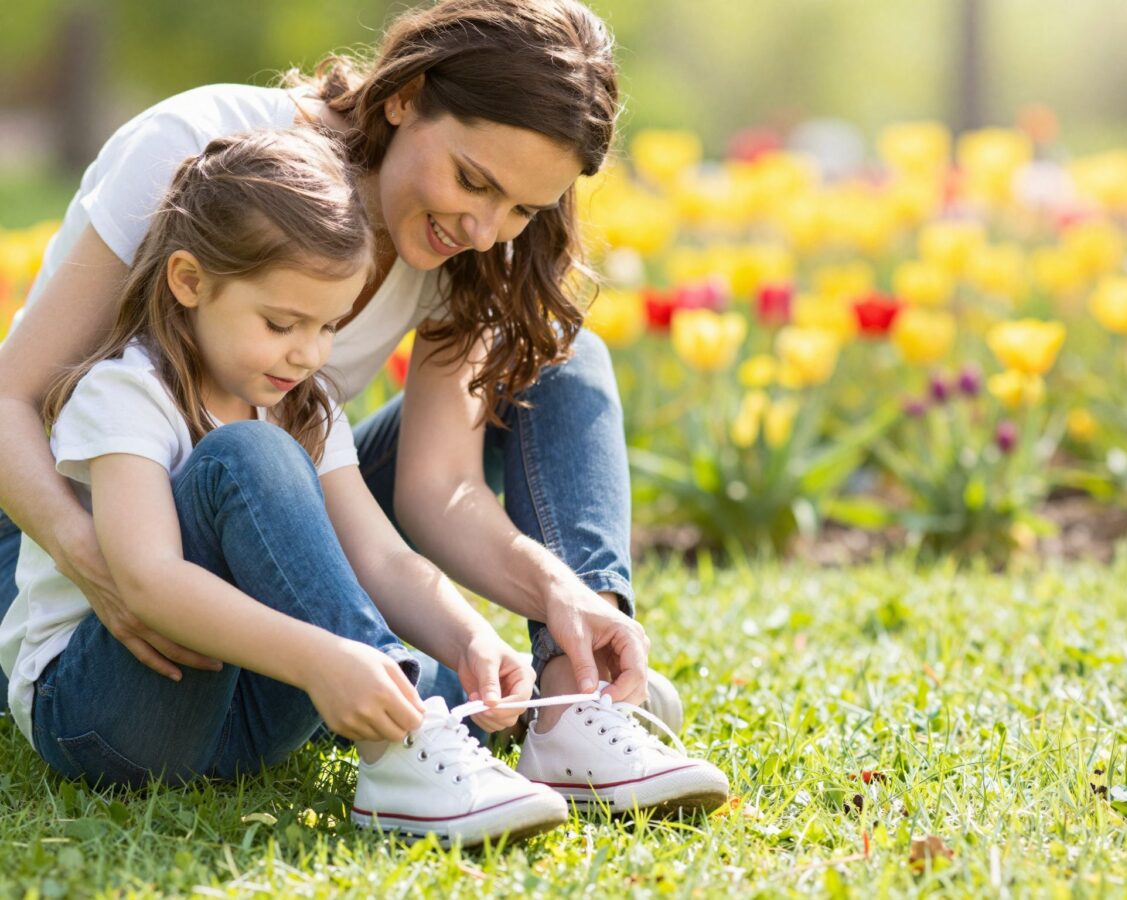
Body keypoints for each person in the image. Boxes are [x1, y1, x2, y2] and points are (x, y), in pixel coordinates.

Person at [0, 0, 729, 816]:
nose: (486, 230)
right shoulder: (200, 158)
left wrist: (539, 600)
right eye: (474, 180)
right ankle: (402, 726)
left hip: (265, 521)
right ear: (404, 98)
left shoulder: (304, 392)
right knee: (257, 459)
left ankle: (577, 697)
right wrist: (97, 561)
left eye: (523, 210)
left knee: (558, 354)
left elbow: (431, 494)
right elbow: (8, 400)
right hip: (66, 519)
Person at [0, 127, 582, 845]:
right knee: (249, 454)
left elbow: (379, 558)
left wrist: (469, 637)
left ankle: (537, 712)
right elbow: (146, 581)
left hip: (249, 716)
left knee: (460, 672)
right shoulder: (123, 394)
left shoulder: (301, 401)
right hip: (109, 716)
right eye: (282, 324)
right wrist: (323, 659)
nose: (307, 354)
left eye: (329, 327)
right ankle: (404, 752)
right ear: (190, 282)